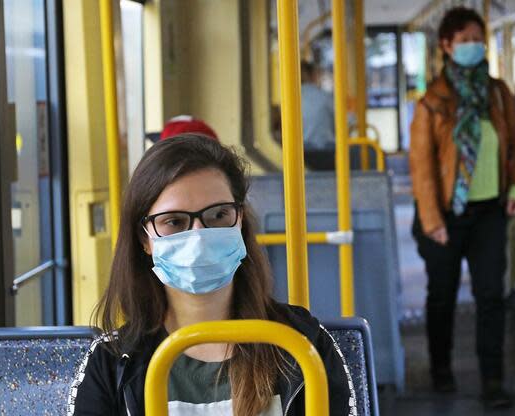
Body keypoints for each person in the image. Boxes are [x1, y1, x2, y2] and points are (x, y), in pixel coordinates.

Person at [68, 135, 356, 416]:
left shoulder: (302, 343)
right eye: (174, 222)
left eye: (218, 215)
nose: (198, 236)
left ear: (240, 220)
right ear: (144, 239)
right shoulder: (113, 363)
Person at [409, 7, 515, 408]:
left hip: (489, 211)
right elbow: (422, 169)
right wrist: (432, 221)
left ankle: (492, 379)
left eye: (478, 39)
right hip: (445, 214)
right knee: (441, 296)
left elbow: (511, 149)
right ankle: (441, 369)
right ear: (446, 46)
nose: (473, 46)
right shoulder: (432, 104)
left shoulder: (497, 94)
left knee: (491, 294)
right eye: (464, 40)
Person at [300, 60, 336, 151]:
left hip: (301, 150)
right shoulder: (324, 96)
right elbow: (344, 120)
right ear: (313, 76)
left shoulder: (289, 99)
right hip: (325, 150)